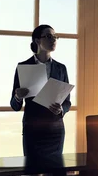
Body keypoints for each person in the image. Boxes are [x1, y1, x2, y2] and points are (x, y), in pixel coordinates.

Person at [11, 25, 72, 160]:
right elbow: (14, 105)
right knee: (32, 172)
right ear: (37, 41)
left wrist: (62, 109)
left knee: (55, 174)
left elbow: (67, 101)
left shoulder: (61, 68)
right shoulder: (23, 66)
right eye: (49, 36)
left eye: (55, 37)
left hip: (55, 130)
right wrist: (17, 96)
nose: (54, 40)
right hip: (33, 129)